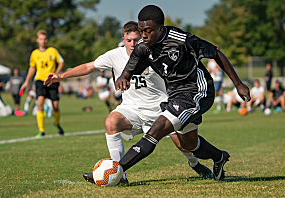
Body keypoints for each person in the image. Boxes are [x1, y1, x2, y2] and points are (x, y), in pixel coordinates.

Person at [44, 21, 213, 184]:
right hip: (132, 109)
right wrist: (60, 76)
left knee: (184, 144)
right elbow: (89, 67)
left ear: (142, 38)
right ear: (123, 39)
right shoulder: (114, 55)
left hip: (161, 109)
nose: (132, 44)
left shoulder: (155, 52)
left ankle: (194, 163)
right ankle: (119, 175)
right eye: (128, 40)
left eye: (136, 40)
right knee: (111, 122)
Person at [114, 5, 251, 181]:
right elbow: (128, 71)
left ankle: (116, 171)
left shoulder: (181, 39)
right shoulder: (143, 48)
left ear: (161, 28)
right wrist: (122, 78)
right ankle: (219, 157)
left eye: (148, 30)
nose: (144, 35)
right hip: (175, 95)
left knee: (156, 130)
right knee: (189, 144)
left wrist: (238, 84)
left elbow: (215, 53)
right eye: (141, 31)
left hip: (197, 91)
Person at [20, 30, 65, 137]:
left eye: (45, 39)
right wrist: (26, 81)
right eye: (41, 39)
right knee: (40, 102)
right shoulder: (34, 54)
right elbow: (32, 68)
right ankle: (41, 130)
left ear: (47, 40)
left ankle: (57, 123)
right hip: (40, 80)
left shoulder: (52, 51)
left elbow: (61, 62)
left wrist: (56, 74)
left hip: (52, 80)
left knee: (55, 106)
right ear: (37, 40)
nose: (43, 41)